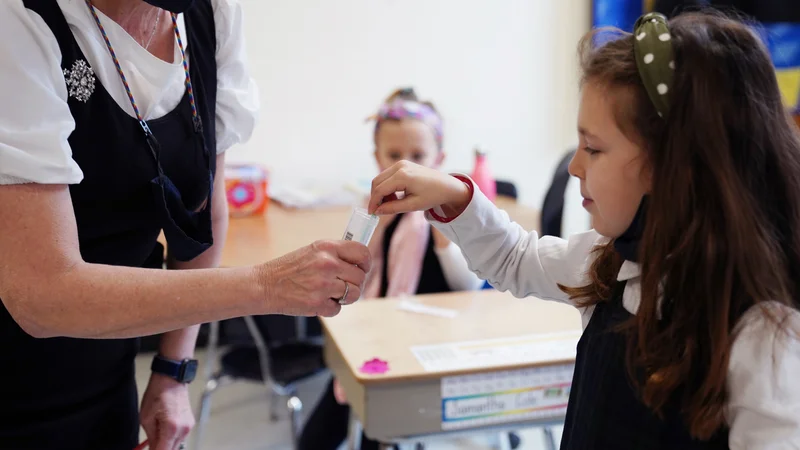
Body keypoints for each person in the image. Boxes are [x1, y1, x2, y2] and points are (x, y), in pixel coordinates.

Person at [368, 11, 800, 449]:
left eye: (593, 149)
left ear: (675, 165)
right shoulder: (613, 262)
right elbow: (516, 259)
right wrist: (456, 197)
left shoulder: (763, 334)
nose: (575, 166)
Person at [0, 1, 370, 449]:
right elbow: (42, 295)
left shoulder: (209, 15)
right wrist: (268, 285)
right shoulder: (18, 21)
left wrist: (174, 370)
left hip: (108, 362)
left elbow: (203, 218)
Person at [298, 88, 485, 450]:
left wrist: (444, 227)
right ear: (377, 158)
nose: (406, 165)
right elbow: (349, 272)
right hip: (371, 339)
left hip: (421, 347)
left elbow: (466, 284)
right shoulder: (373, 212)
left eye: (418, 156)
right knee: (317, 434)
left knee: (376, 432)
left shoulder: (447, 214)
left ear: (440, 158)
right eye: (394, 155)